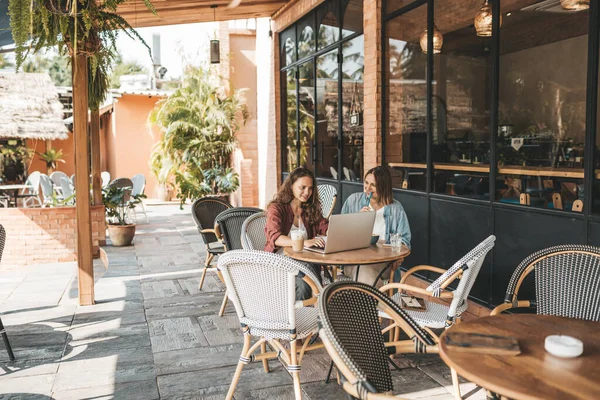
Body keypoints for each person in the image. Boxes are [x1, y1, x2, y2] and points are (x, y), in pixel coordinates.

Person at [341, 166, 411, 286]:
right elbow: (340, 232)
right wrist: (357, 219)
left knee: (365, 274)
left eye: (373, 185)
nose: (367, 188)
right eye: (366, 182)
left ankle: (367, 303)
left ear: (383, 187)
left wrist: (398, 256)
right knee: (364, 272)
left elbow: (404, 240)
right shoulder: (352, 201)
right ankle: (382, 303)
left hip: (383, 263)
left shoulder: (396, 209)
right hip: (354, 261)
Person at [265, 167, 328, 300]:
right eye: (302, 187)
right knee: (307, 281)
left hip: (304, 259)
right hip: (279, 260)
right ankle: (304, 313)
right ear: (291, 185)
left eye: (310, 188)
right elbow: (275, 238)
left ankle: (312, 308)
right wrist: (304, 242)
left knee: (310, 271)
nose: (307, 192)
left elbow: (325, 227)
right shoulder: (276, 208)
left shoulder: (310, 208)